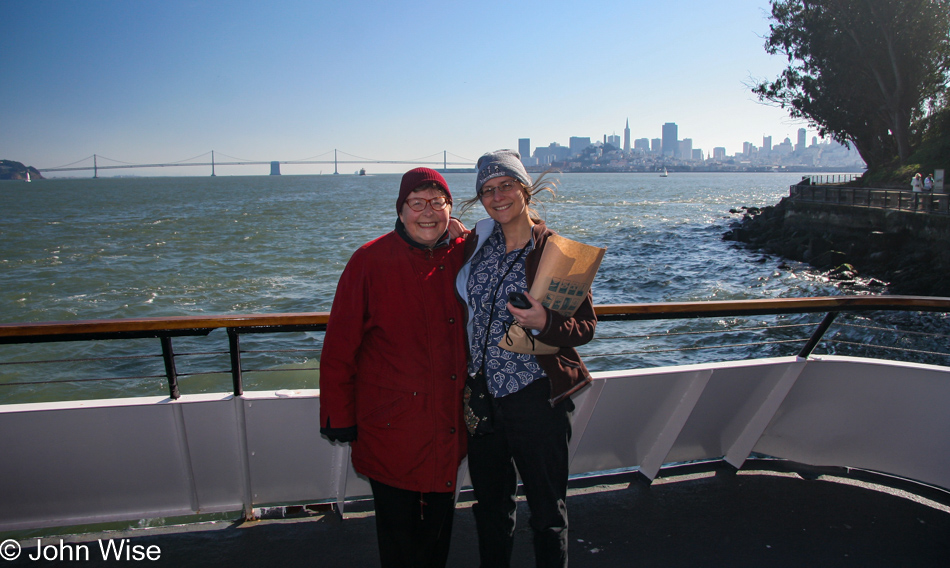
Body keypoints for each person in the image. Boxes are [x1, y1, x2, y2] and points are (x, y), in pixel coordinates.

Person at [319, 168, 468, 568]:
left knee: (437, 534)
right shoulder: (369, 261)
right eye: (416, 203)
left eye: (438, 203)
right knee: (400, 540)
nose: (427, 212)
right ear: (400, 211)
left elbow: (517, 238)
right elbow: (339, 347)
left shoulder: (463, 254)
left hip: (447, 427)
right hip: (389, 431)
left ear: (450, 210)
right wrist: (338, 415)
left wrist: (467, 233)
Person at [455, 150, 596, 568]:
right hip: (483, 400)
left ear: (524, 188)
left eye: (506, 185)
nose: (497, 196)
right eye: (487, 190)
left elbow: (585, 327)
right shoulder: (476, 248)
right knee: (491, 510)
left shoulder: (558, 252)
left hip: (535, 399)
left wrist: (544, 320)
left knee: (548, 514)